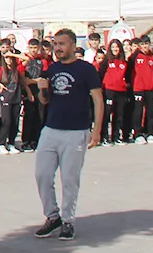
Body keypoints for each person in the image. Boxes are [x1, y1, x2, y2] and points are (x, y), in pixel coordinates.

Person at [31, 29, 104, 241]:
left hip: (76, 132)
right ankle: (52, 216)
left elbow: (98, 100)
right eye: (55, 44)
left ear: (73, 45)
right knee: (42, 175)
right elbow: (45, 101)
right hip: (51, 129)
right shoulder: (52, 69)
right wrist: (42, 90)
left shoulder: (86, 70)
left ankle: (68, 220)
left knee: (70, 179)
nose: (58, 48)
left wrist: (97, 130)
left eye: (62, 44)